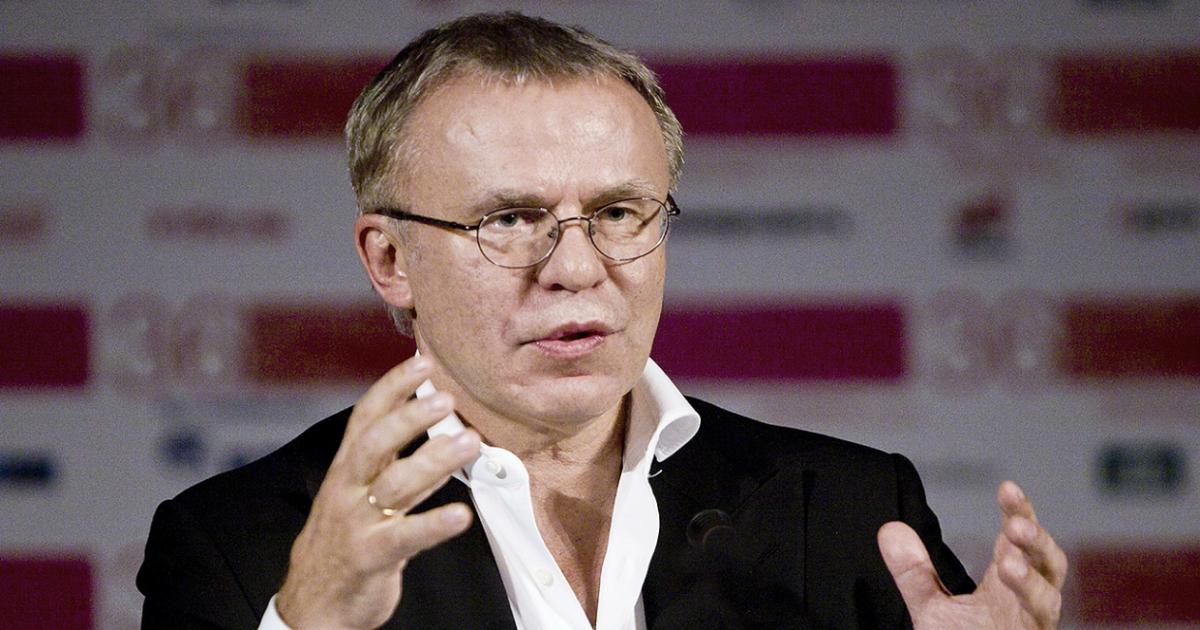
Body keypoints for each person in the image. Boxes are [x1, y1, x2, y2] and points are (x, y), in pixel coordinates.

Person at [137, 12, 1066, 630]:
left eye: (619, 212)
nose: (577, 268)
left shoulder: (852, 513)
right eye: (510, 220)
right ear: (390, 260)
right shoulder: (245, 549)